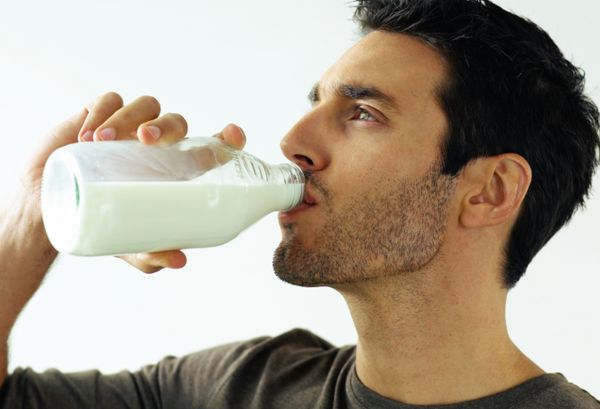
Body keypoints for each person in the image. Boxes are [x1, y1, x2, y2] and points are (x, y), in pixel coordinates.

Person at [1, 0, 599, 407]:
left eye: (363, 113)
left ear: (490, 191)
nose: (292, 143)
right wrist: (34, 215)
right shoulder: (241, 387)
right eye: (315, 104)